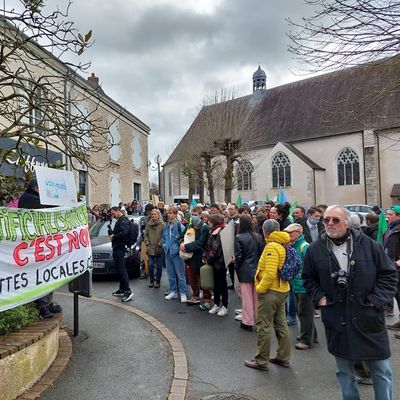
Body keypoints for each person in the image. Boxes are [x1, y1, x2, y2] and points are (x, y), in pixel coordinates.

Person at [302, 205, 397, 400]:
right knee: (344, 372)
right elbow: (308, 279)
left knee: (381, 370)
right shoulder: (315, 249)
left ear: (347, 222)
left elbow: (388, 274)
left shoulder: (369, 245)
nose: (329, 223)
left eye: (335, 220)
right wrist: (320, 298)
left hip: (368, 318)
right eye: (326, 219)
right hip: (336, 319)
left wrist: (376, 301)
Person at [245, 219, 291, 371]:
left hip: (271, 291)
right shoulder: (283, 243)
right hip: (282, 289)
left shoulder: (272, 245)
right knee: (281, 324)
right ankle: (283, 357)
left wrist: (260, 288)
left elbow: (270, 273)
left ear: (265, 231)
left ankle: (261, 360)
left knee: (264, 325)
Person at [18, 178, 62, 318]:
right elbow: (48, 209)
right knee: (42, 275)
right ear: (35, 187)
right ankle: (42, 306)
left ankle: (47, 303)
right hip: (35, 244)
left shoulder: (33, 197)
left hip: (41, 242)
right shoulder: (29, 199)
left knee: (48, 274)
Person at [283, 223, 318, 350]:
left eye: (290, 232)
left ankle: (306, 340)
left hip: (304, 286)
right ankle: (311, 335)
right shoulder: (294, 245)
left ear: (298, 232)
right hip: (296, 284)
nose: (288, 234)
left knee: (304, 313)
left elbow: (312, 267)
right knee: (303, 312)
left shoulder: (304, 246)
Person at [234, 215, 264, 331]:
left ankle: (247, 321)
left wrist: (236, 264)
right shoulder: (258, 237)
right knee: (257, 298)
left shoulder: (239, 237)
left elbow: (239, 257)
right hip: (257, 270)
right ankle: (258, 319)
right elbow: (261, 254)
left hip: (245, 271)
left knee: (247, 298)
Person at [180, 206, 210, 305]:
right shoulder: (190, 226)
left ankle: (207, 299)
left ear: (200, 215)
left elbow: (200, 243)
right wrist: (181, 243)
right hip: (190, 257)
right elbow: (181, 237)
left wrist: (186, 247)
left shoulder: (205, 228)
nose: (193, 217)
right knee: (192, 277)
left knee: (203, 278)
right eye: (192, 215)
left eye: (196, 215)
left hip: (201, 256)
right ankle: (195, 296)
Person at [203, 214, 229, 317]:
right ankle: (217, 304)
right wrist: (205, 256)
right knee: (216, 285)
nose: (208, 222)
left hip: (220, 263)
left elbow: (216, 249)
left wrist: (208, 259)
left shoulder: (221, 231)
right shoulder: (212, 230)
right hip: (213, 262)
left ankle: (225, 306)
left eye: (209, 220)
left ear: (214, 221)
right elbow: (207, 245)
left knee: (222, 285)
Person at [109, 206, 134, 302]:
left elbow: (125, 232)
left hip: (120, 247)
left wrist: (114, 236)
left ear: (118, 211)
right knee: (119, 269)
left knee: (122, 269)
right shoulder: (121, 220)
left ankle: (128, 291)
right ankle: (122, 289)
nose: (113, 215)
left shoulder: (124, 220)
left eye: (113, 213)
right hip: (118, 246)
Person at [163, 207, 187, 302]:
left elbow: (183, 238)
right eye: (168, 212)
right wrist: (165, 246)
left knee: (180, 274)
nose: (169, 214)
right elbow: (164, 237)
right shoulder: (166, 225)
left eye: (171, 213)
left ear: (175, 214)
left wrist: (178, 248)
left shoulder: (179, 226)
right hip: (168, 252)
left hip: (176, 253)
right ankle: (173, 291)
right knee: (170, 274)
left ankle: (183, 292)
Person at [384, 206, 400, 331]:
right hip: (391, 268)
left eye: (390, 214)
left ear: (398, 216)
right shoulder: (391, 228)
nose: (387, 216)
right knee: (397, 296)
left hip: (397, 267)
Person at [144, 209, 165, 288]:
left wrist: (160, 244)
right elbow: (145, 234)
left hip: (159, 248)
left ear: (158, 215)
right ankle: (151, 280)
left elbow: (164, 235)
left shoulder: (162, 224)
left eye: (155, 214)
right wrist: (147, 242)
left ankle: (158, 280)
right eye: (152, 214)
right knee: (151, 265)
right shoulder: (148, 225)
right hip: (150, 248)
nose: (153, 216)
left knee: (159, 266)